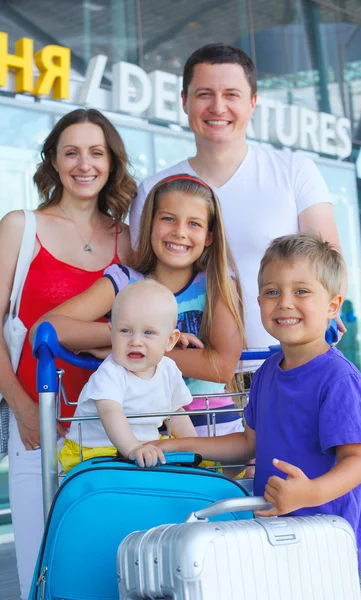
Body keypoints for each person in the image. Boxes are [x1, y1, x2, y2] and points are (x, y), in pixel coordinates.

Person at [151, 233, 361, 600]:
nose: (284, 303)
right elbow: (248, 444)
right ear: (259, 301)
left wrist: (309, 493)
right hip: (273, 543)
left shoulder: (339, 379)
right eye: (272, 292)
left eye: (302, 292)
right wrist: (179, 443)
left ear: (333, 306)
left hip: (330, 550)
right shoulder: (266, 373)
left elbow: (355, 462)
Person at [130, 43, 347, 353]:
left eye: (231, 95)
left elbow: (332, 264)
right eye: (204, 94)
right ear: (184, 102)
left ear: (253, 103)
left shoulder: (295, 170)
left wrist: (325, 313)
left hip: (284, 369)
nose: (218, 107)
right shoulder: (154, 190)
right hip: (187, 383)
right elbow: (139, 284)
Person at [0, 108, 135, 600]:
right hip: (40, 419)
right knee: (42, 562)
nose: (85, 164)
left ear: (111, 162)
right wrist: (21, 407)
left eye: (96, 152)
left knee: (109, 560)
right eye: (71, 152)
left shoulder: (130, 238)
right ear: (53, 162)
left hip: (117, 420)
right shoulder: (20, 226)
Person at [33, 174, 245, 442]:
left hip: (211, 427)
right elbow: (45, 329)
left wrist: (129, 347)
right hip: (135, 432)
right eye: (168, 218)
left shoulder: (218, 282)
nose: (179, 231)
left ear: (209, 236)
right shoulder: (124, 281)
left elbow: (222, 367)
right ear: (149, 224)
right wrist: (118, 337)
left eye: (194, 223)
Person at [58, 280, 196, 472]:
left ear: (170, 340)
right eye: (125, 331)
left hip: (143, 446)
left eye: (148, 332)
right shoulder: (111, 372)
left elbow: (175, 414)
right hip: (95, 451)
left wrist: (197, 445)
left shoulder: (168, 369)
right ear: (111, 333)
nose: (136, 341)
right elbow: (110, 412)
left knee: (190, 458)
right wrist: (133, 448)